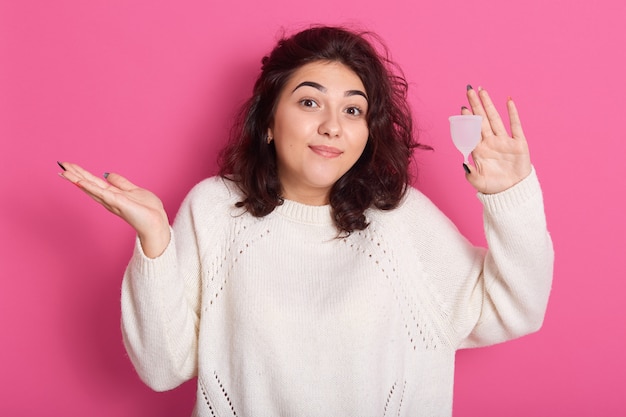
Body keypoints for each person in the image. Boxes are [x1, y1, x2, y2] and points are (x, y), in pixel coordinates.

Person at [58, 25, 553, 417]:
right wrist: (155, 244)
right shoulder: (213, 210)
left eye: (353, 110)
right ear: (269, 122)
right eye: (310, 101)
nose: (332, 126)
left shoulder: (401, 223)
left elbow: (517, 309)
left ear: (367, 132)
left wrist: (512, 198)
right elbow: (162, 368)